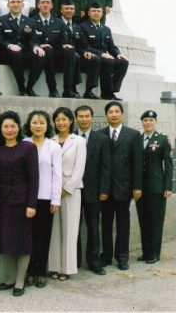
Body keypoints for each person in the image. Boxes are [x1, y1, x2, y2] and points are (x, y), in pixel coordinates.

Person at [0, 111, 39, 297]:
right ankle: (11, 278)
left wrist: (31, 204)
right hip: (2, 203)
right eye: (5, 127)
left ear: (19, 127)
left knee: (23, 242)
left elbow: (34, 178)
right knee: (7, 241)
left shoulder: (28, 147)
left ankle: (20, 280)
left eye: (13, 126)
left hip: (22, 202)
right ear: (0, 129)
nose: (9, 130)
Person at [100, 101, 143, 270]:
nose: (114, 114)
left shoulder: (133, 135)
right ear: (106, 116)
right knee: (105, 224)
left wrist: (137, 187)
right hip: (105, 190)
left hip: (124, 188)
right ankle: (106, 256)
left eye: (117, 111)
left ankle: (122, 256)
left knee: (123, 224)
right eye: (110, 112)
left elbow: (137, 163)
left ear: (122, 114)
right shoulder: (100, 134)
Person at [23, 110, 62, 288]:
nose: (38, 126)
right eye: (34, 122)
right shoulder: (23, 143)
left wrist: (56, 199)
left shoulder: (53, 146)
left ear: (47, 126)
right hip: (25, 199)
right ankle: (28, 271)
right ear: (29, 125)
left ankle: (39, 272)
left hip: (46, 198)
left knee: (43, 236)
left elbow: (57, 174)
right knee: (27, 237)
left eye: (41, 123)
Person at [48, 107, 86, 280]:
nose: (61, 122)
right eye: (58, 119)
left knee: (70, 230)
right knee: (55, 230)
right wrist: (55, 190)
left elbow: (79, 169)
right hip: (53, 191)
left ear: (71, 121)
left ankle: (67, 268)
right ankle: (55, 266)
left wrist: (66, 188)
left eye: (64, 119)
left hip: (72, 191)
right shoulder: (51, 141)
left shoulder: (78, 141)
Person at [75, 105, 110, 275]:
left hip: (94, 191)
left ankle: (94, 261)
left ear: (92, 118)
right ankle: (73, 261)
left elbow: (106, 167)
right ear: (76, 118)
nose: (83, 119)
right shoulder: (70, 137)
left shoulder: (101, 139)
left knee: (93, 227)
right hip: (72, 191)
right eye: (80, 116)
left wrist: (104, 189)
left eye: (86, 116)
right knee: (73, 227)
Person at [136, 110, 173, 264]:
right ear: (142, 123)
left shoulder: (163, 140)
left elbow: (168, 165)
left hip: (157, 187)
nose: (148, 123)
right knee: (143, 220)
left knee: (155, 221)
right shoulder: (137, 139)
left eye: (151, 120)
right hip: (141, 188)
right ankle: (146, 252)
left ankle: (155, 253)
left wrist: (168, 187)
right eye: (145, 120)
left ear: (155, 122)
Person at [26, 0, 76, 98]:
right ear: (38, 5)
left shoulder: (59, 22)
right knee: (47, 50)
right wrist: (38, 46)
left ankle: (68, 89)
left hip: (55, 54)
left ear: (52, 5)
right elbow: (30, 39)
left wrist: (65, 45)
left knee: (70, 50)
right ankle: (52, 89)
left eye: (48, 2)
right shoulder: (31, 21)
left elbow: (63, 40)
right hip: (36, 53)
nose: (45, 5)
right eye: (43, 2)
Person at [80, 2, 129, 100]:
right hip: (91, 58)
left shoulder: (106, 29)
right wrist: (102, 54)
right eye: (93, 11)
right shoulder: (83, 26)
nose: (96, 13)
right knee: (107, 61)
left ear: (102, 13)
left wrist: (118, 54)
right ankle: (106, 94)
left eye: (98, 11)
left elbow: (111, 46)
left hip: (105, 59)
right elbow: (84, 46)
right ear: (89, 13)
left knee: (123, 62)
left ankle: (112, 90)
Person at [60, 0, 100, 99]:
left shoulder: (78, 27)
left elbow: (81, 45)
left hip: (76, 56)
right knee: (74, 55)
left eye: (71, 9)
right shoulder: (56, 23)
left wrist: (86, 52)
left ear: (74, 11)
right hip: (61, 56)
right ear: (61, 10)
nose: (69, 11)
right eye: (66, 8)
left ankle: (89, 91)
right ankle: (69, 89)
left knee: (94, 58)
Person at [0, 0, 35, 96]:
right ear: (8, 5)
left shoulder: (30, 21)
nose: (16, 4)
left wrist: (36, 47)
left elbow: (33, 39)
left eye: (18, 2)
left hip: (25, 53)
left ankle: (30, 87)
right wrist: (9, 45)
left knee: (41, 55)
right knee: (15, 52)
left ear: (23, 4)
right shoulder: (1, 20)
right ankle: (21, 87)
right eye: (13, 2)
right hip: (7, 53)